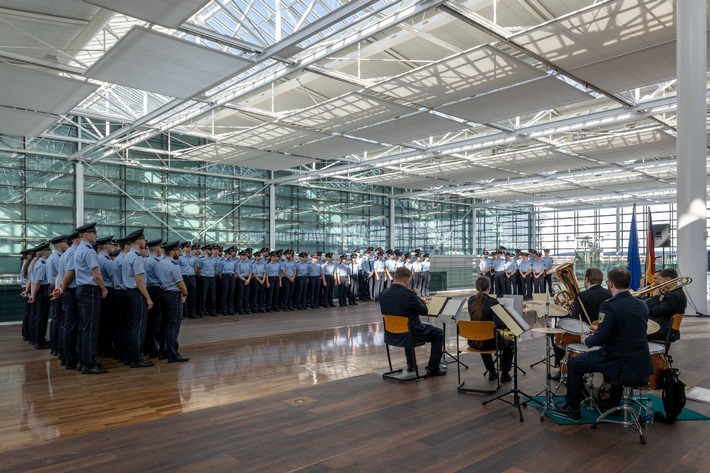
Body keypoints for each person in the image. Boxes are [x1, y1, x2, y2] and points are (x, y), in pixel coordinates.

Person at [555, 267, 653, 420]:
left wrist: (586, 339)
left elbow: (599, 340)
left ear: (611, 283)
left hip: (616, 359)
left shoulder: (609, 305)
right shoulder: (642, 304)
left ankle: (572, 408)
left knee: (574, 364)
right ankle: (613, 402)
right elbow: (626, 328)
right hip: (639, 359)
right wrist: (601, 327)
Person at [379, 267, 446, 376]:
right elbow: (424, 311)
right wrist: (418, 296)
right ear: (406, 280)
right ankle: (433, 368)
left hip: (391, 333)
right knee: (438, 333)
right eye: (408, 280)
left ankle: (411, 365)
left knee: (405, 327)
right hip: (412, 332)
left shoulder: (383, 293)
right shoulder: (409, 295)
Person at [551, 268, 612, 380]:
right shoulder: (609, 294)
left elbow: (574, 320)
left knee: (556, 336)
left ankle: (561, 368)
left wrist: (565, 314)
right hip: (603, 333)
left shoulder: (582, 296)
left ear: (587, 279)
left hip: (585, 333)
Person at [73, 222, 109, 374]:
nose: (96, 235)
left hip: (82, 290)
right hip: (90, 291)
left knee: (84, 328)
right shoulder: (88, 251)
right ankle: (88, 363)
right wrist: (103, 288)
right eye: (94, 233)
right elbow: (96, 274)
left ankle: (83, 361)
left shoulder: (79, 249)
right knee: (91, 329)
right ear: (86, 235)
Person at [467, 276, 514, 383]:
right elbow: (499, 324)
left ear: (476, 287)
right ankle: (505, 374)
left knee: (482, 338)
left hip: (474, 341)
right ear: (489, 287)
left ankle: (492, 372)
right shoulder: (493, 302)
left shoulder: (470, 300)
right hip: (491, 343)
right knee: (510, 343)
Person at [157, 241, 189, 362]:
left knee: (164, 324)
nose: (179, 252)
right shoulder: (173, 265)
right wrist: (185, 293)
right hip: (173, 295)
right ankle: (173, 353)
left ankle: (163, 351)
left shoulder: (160, 263)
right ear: (173, 251)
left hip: (163, 294)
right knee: (173, 325)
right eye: (178, 250)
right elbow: (180, 284)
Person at [646, 268, 687, 341]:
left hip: (665, 330)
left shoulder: (675, 295)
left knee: (634, 331)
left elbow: (656, 311)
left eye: (660, 279)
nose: (659, 282)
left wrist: (655, 296)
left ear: (667, 280)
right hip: (662, 325)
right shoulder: (672, 292)